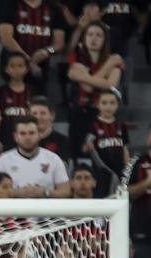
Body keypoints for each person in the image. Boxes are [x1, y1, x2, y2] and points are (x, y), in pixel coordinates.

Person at [66, 21, 124, 156]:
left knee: (103, 157)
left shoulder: (116, 60)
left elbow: (111, 86)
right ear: (84, 38)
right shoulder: (77, 58)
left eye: (99, 35)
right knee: (79, 155)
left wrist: (86, 77)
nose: (94, 38)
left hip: (103, 115)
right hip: (78, 115)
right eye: (90, 34)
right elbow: (87, 88)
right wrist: (109, 65)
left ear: (105, 40)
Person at [0, 0, 65, 96]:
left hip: (40, 68)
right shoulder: (8, 4)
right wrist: (29, 61)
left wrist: (47, 51)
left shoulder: (54, 8)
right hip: (12, 65)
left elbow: (58, 45)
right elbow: (5, 38)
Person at [0, 116, 70, 198]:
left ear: (39, 135)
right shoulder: (3, 161)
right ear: (15, 136)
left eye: (31, 133)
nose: (27, 137)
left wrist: (45, 192)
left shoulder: (53, 159)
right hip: (14, 210)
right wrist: (16, 193)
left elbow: (66, 192)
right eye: (22, 133)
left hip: (45, 210)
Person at [81, 88, 128, 196]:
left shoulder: (121, 125)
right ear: (98, 105)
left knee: (118, 198)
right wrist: (87, 147)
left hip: (119, 170)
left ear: (117, 105)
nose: (108, 106)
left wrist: (127, 169)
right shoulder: (93, 125)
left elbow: (125, 149)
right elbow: (84, 148)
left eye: (112, 103)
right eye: (104, 103)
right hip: (100, 171)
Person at [0, 51, 31, 148]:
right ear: (6, 69)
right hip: (5, 139)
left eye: (20, 66)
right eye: (12, 66)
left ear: (27, 69)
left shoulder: (33, 92)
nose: (16, 69)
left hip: (27, 139)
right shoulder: (1, 92)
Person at [29, 95, 71, 165]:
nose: (38, 117)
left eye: (43, 113)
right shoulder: (23, 141)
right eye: (34, 113)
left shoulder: (63, 141)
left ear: (52, 116)